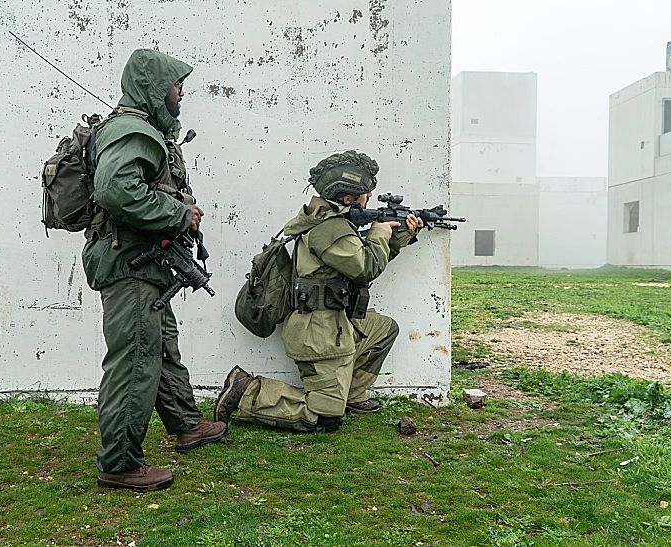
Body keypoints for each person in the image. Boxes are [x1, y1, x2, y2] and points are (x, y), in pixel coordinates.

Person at [82, 49, 226, 492]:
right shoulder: (134, 132)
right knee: (135, 360)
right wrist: (180, 214)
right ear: (154, 88)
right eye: (175, 84)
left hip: (144, 263)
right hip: (131, 264)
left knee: (160, 346)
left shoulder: (137, 130)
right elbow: (116, 190)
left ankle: (186, 424)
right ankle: (120, 464)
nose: (181, 91)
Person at [214, 151, 423, 433]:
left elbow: (363, 260)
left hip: (335, 324)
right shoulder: (330, 228)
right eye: (364, 192)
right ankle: (247, 391)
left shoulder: (330, 221)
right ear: (348, 197)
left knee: (383, 329)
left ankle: (348, 396)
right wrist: (378, 234)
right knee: (324, 419)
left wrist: (398, 236)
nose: (370, 196)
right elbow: (363, 267)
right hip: (320, 335)